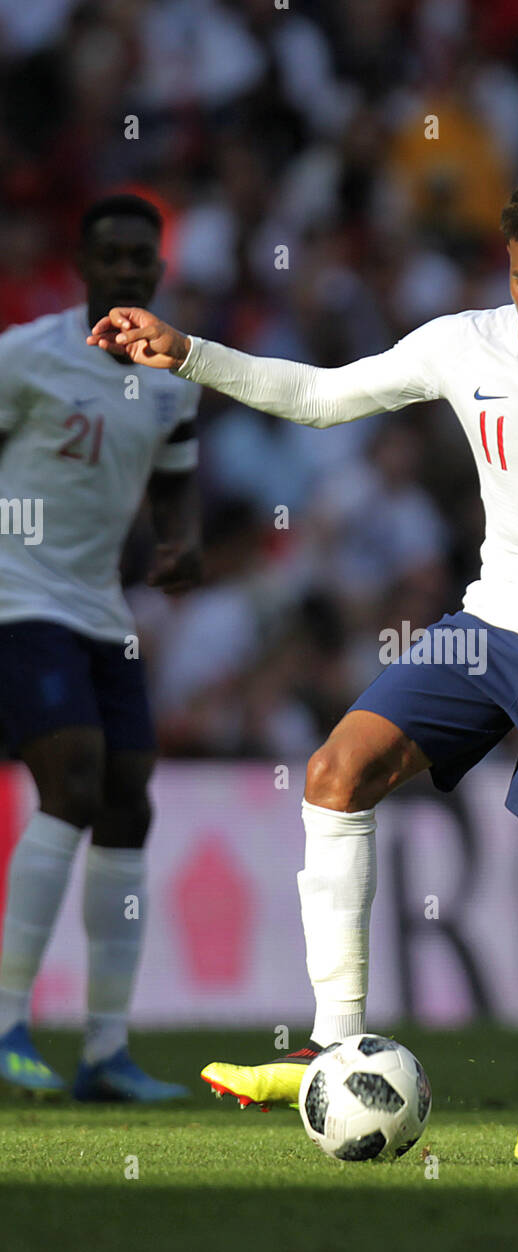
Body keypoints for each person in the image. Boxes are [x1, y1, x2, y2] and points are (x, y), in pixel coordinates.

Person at [88, 173, 518, 1157]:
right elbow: (323, 397)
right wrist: (186, 352)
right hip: (490, 626)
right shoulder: (465, 343)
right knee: (335, 775)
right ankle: (331, 1046)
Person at [0, 194, 201, 1102]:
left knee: (129, 799)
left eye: (141, 259)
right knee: (73, 781)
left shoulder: (169, 376)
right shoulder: (23, 357)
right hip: (18, 594)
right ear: (83, 267)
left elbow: (177, 469)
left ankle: (106, 1053)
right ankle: (6, 1022)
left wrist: (177, 541)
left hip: (102, 609)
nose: (128, 271)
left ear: (158, 271)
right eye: (112, 257)